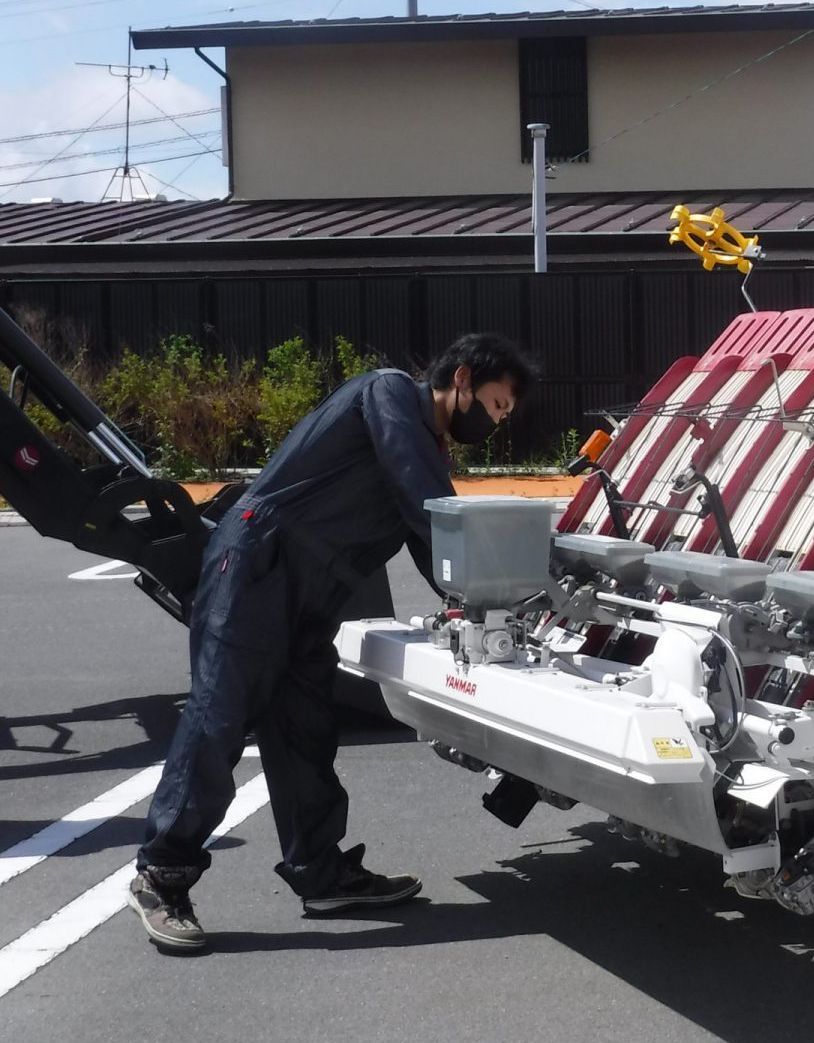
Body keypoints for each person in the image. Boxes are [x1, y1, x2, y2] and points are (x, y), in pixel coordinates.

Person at [127, 334, 537, 952]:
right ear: (461, 379)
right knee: (218, 718)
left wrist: (481, 602)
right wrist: (495, 581)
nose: (496, 421)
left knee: (306, 732)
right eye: (497, 404)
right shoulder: (388, 394)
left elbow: (431, 543)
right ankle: (162, 875)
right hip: (257, 570)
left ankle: (320, 875)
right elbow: (428, 508)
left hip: (310, 595)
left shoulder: (421, 447)